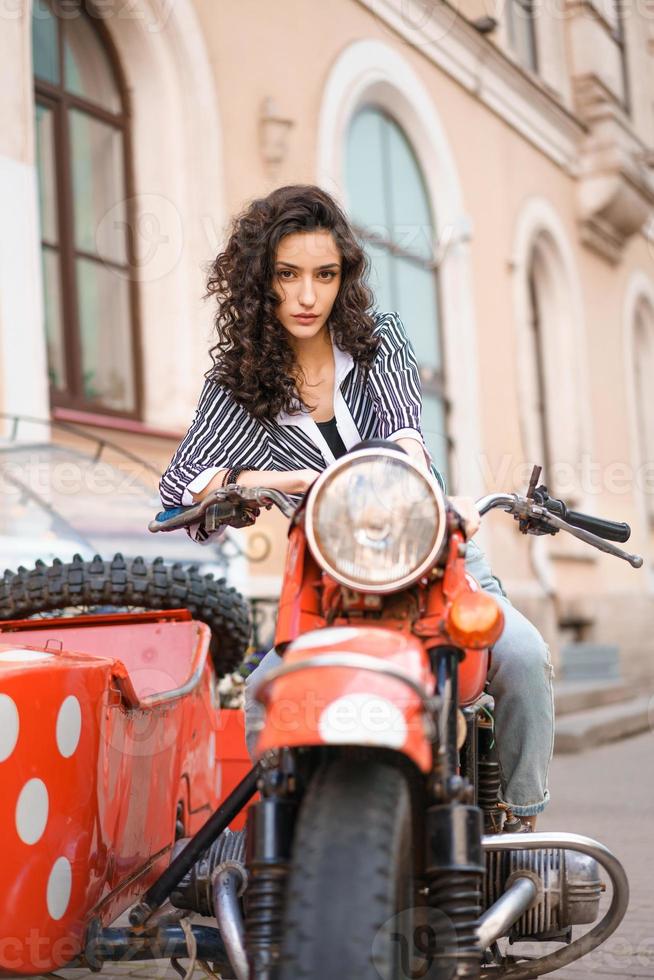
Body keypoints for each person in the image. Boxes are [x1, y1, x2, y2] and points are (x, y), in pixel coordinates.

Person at [160, 184, 554, 826]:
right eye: (288, 275)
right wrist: (263, 481)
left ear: (344, 277)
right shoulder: (237, 385)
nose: (308, 296)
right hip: (326, 579)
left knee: (523, 657)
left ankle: (522, 821)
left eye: (325, 274)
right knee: (264, 698)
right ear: (262, 281)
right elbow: (181, 490)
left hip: (428, 550)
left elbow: (404, 435)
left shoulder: (379, 342)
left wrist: (442, 498)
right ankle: (293, 853)